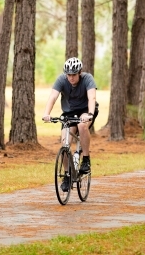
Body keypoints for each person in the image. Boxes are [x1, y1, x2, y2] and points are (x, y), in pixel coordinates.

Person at [42, 57, 98, 192]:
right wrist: (46, 113)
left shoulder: (88, 79)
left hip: (86, 110)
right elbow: (53, 97)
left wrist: (89, 114)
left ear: (80, 73)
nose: (71, 78)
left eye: (74, 74)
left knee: (82, 126)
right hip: (69, 113)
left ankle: (85, 159)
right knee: (64, 142)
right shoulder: (62, 80)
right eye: (69, 75)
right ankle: (67, 176)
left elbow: (92, 98)